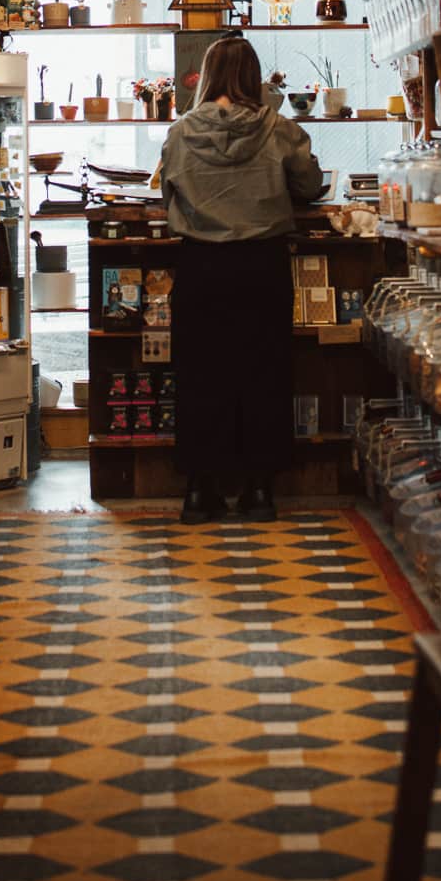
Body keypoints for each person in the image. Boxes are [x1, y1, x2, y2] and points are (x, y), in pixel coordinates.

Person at [159, 35, 325, 524]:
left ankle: (199, 491)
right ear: (253, 76)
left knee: (199, 376)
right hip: (261, 265)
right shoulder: (279, 129)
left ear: (207, 76)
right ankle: (258, 491)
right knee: (264, 373)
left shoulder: (181, 131)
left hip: (201, 266)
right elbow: (310, 185)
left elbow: (167, 184)